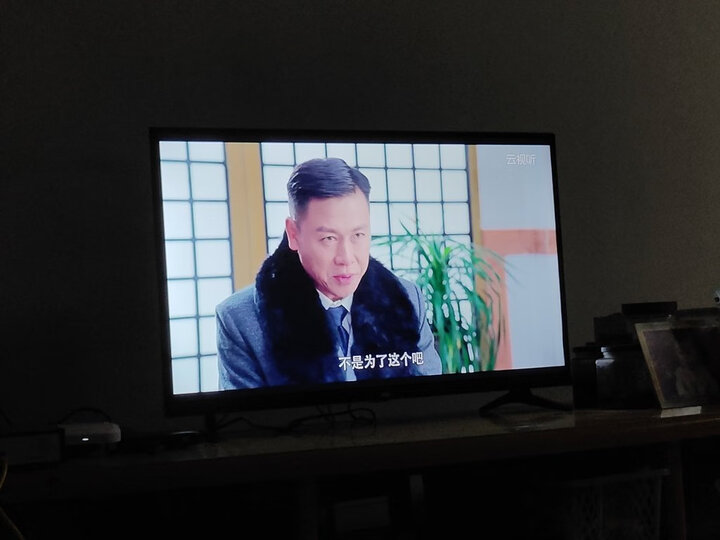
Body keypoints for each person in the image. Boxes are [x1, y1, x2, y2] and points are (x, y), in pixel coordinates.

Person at [216, 157, 442, 389]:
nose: (346, 258)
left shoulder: (407, 298)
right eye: (329, 238)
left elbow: (430, 397)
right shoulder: (239, 319)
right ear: (293, 234)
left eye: (358, 235)